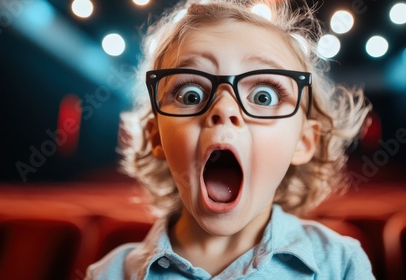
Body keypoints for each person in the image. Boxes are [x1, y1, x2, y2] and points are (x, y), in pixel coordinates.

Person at [86, 0, 374, 278]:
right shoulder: (109, 274)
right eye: (191, 95)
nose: (224, 109)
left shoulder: (341, 265)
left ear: (303, 141)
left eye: (264, 96)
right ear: (156, 135)